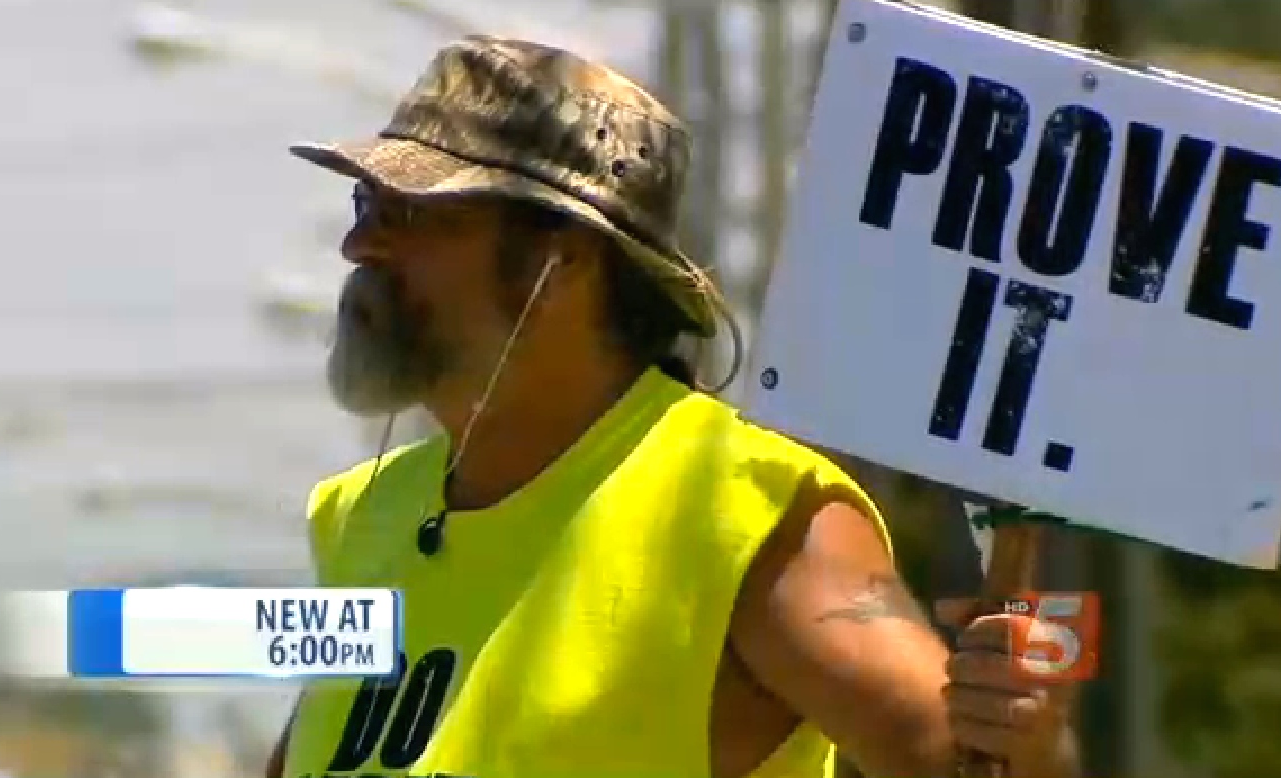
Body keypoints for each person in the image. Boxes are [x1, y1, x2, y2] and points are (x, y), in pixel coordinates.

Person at [270, 35, 1080, 778]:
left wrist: (1029, 744)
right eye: (366, 206)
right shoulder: (362, 514)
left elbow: (960, 761)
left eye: (410, 213)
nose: (358, 246)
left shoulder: (738, 511)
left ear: (564, 258)